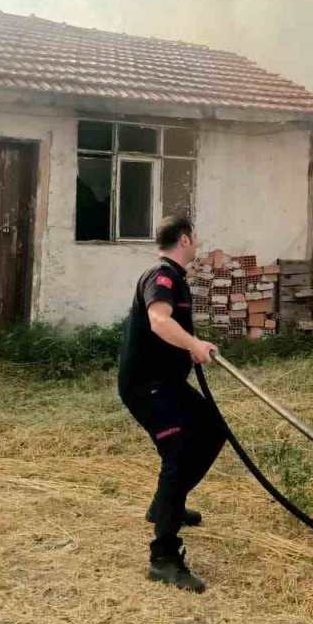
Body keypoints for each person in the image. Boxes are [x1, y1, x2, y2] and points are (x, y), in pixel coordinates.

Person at [118, 214, 225, 593]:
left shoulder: (175, 278)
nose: (197, 244)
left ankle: (168, 504)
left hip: (166, 382)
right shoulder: (161, 277)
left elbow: (170, 332)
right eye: (195, 237)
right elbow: (159, 321)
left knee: (213, 430)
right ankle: (163, 557)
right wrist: (195, 345)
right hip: (146, 386)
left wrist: (191, 350)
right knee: (177, 452)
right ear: (184, 239)